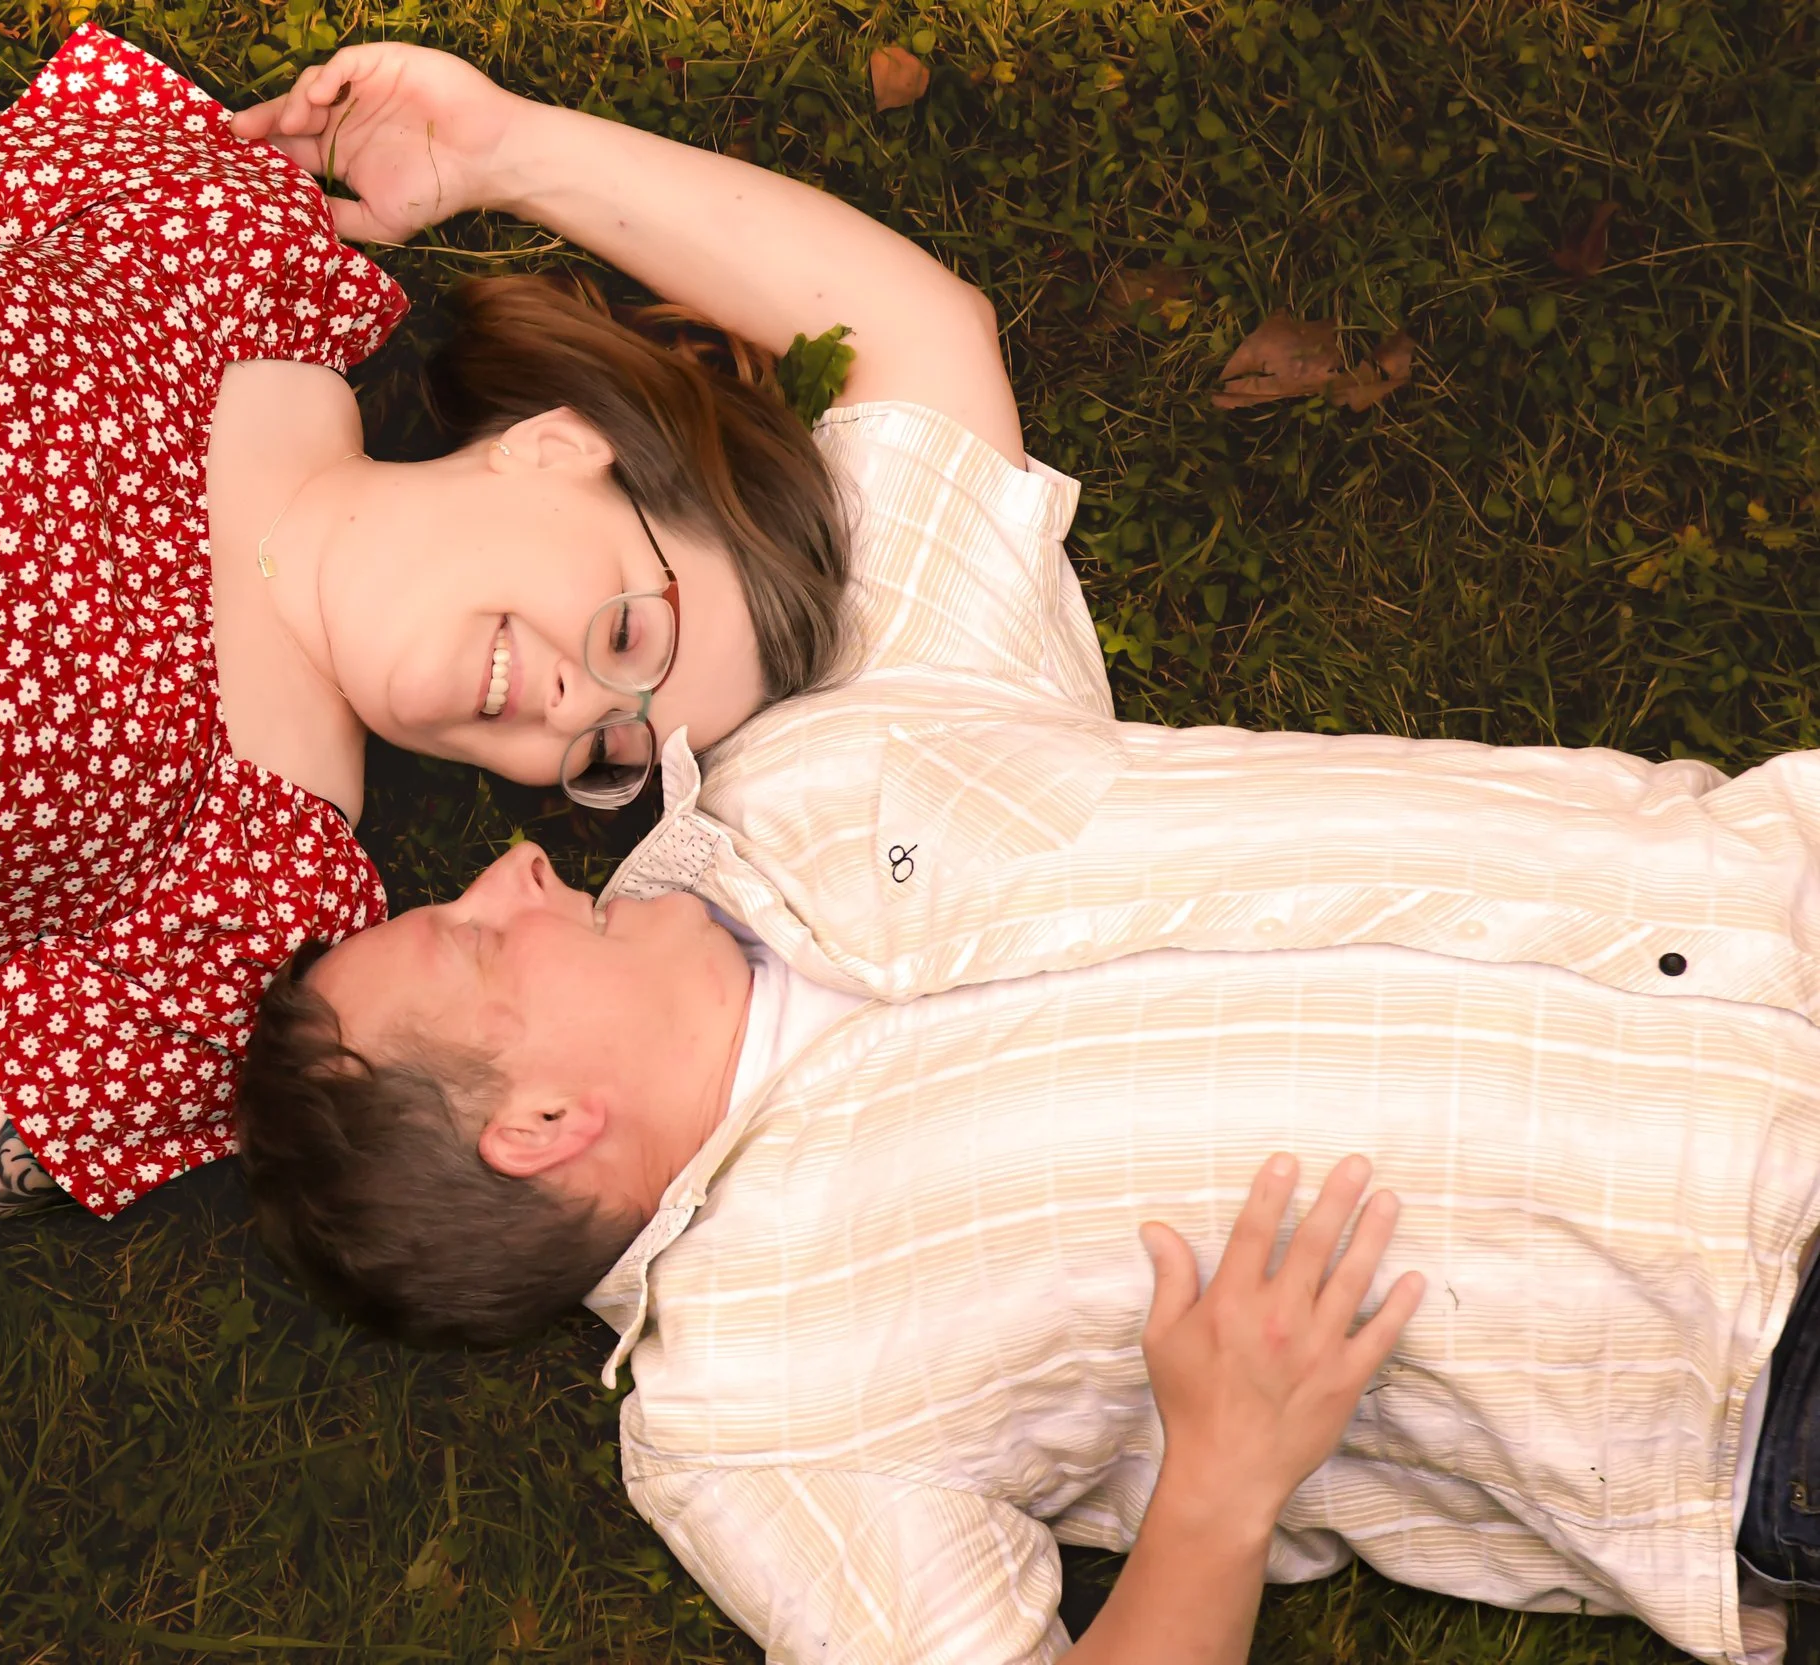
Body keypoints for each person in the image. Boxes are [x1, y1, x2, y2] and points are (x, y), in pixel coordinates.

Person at [234, 231, 1820, 1658]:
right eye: (471, 936)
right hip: (1751, 1345)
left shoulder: (813, 760)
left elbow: (912, 346)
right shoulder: (760, 1418)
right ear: (537, 1128)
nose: (510, 867)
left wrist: (493, 142)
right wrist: (1222, 1481)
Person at [0, 14, 1082, 1291]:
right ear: (558, 445)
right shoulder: (216, 247)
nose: (571, 715)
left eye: (616, 753)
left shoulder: (252, 911)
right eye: (631, 625)